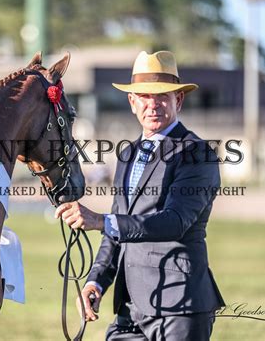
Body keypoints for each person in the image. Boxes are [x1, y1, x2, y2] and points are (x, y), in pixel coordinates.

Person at [55, 51, 225, 341]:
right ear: (132, 102)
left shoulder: (197, 153)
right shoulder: (127, 155)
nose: (153, 104)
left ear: (178, 101)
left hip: (179, 306)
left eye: (162, 96)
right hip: (130, 309)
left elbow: (174, 222)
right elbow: (115, 233)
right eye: (144, 96)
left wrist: (99, 220)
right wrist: (96, 281)